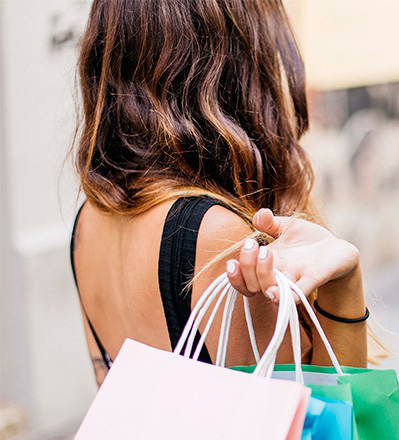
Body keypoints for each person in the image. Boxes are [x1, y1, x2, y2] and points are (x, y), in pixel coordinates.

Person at [70, 0, 372, 386]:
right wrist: (345, 286)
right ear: (244, 65)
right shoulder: (216, 235)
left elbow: (111, 393)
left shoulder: (87, 223)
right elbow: (323, 425)